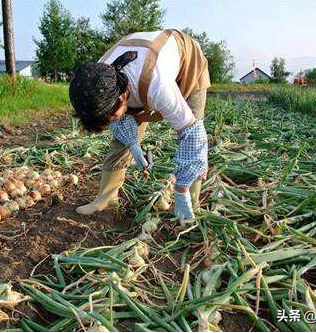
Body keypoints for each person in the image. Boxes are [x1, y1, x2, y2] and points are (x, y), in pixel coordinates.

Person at [69, 29, 210, 224]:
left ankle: (190, 207)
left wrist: (180, 189)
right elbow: (117, 119)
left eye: (113, 116)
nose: (113, 121)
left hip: (188, 62)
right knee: (119, 139)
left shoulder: (157, 86)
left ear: (123, 97)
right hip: (143, 63)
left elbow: (192, 134)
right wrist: (133, 144)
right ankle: (107, 198)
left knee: (193, 125)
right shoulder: (97, 80)